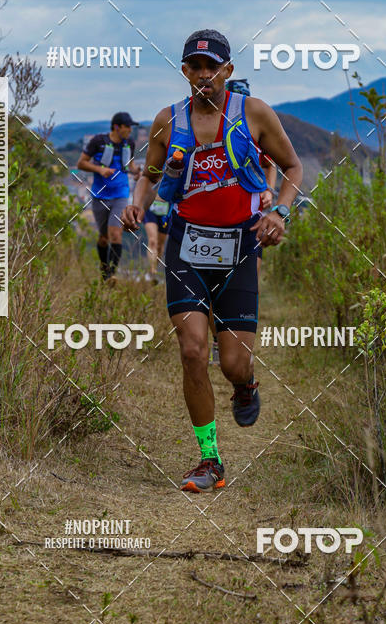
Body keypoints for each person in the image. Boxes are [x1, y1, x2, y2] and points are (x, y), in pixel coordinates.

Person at [122, 29, 302, 492]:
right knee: (191, 350)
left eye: (212, 67)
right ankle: (210, 459)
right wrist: (137, 201)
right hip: (186, 245)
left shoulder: (254, 113)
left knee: (233, 363)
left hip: (240, 246)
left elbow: (293, 168)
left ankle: (246, 384)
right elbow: (153, 174)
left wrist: (279, 212)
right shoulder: (169, 120)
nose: (204, 75)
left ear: (228, 71)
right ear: (185, 71)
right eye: (195, 67)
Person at [207, 79, 277, 365]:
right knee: (214, 288)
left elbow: (271, 163)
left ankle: (239, 342)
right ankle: (217, 339)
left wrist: (269, 191)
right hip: (217, 225)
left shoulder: (256, 131)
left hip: (252, 221)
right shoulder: (210, 131)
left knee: (249, 281)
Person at [77, 111, 141, 280]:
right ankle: (104, 269)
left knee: (115, 234)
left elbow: (131, 165)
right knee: (104, 237)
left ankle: (111, 275)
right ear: (117, 127)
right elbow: (81, 163)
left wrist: (137, 173)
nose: (130, 130)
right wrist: (100, 169)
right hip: (100, 195)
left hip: (121, 194)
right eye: (127, 127)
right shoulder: (98, 142)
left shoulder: (130, 144)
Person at [143, 195, 171, 282]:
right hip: (151, 205)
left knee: (159, 245)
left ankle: (154, 268)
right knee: (152, 241)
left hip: (167, 207)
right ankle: (152, 270)